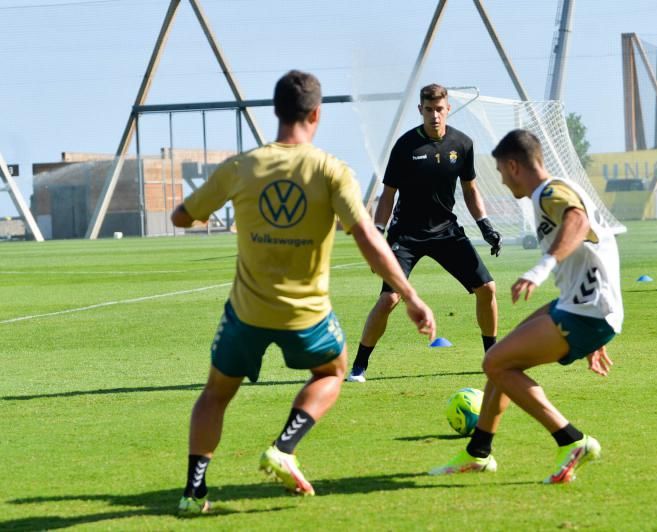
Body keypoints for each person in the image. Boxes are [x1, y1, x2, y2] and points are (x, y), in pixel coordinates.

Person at [172, 70, 436, 514]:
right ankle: (284, 446)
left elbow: (182, 216)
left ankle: (192, 491)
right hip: (306, 315)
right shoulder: (331, 171)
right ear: (317, 114)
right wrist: (410, 297)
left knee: (216, 393)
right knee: (333, 372)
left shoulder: (241, 167)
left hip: (247, 312)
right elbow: (370, 240)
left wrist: (206, 209)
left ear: (276, 112)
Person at [429, 129, 623, 484]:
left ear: (513, 166)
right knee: (502, 356)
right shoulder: (554, 190)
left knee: (496, 363)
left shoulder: (550, 192)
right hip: (585, 306)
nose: (502, 181)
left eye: (501, 172)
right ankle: (478, 453)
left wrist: (540, 269)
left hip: (586, 309)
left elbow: (577, 221)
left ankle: (571, 440)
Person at [347, 83, 502, 382]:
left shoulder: (463, 144)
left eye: (439, 109)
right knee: (389, 300)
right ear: (420, 110)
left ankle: (491, 357)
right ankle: (359, 365)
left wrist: (485, 225)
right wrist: (379, 234)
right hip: (406, 235)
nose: (434, 115)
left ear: (448, 109)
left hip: (446, 232)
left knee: (487, 289)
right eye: (428, 110)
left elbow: (470, 190)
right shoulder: (405, 147)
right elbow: (388, 195)